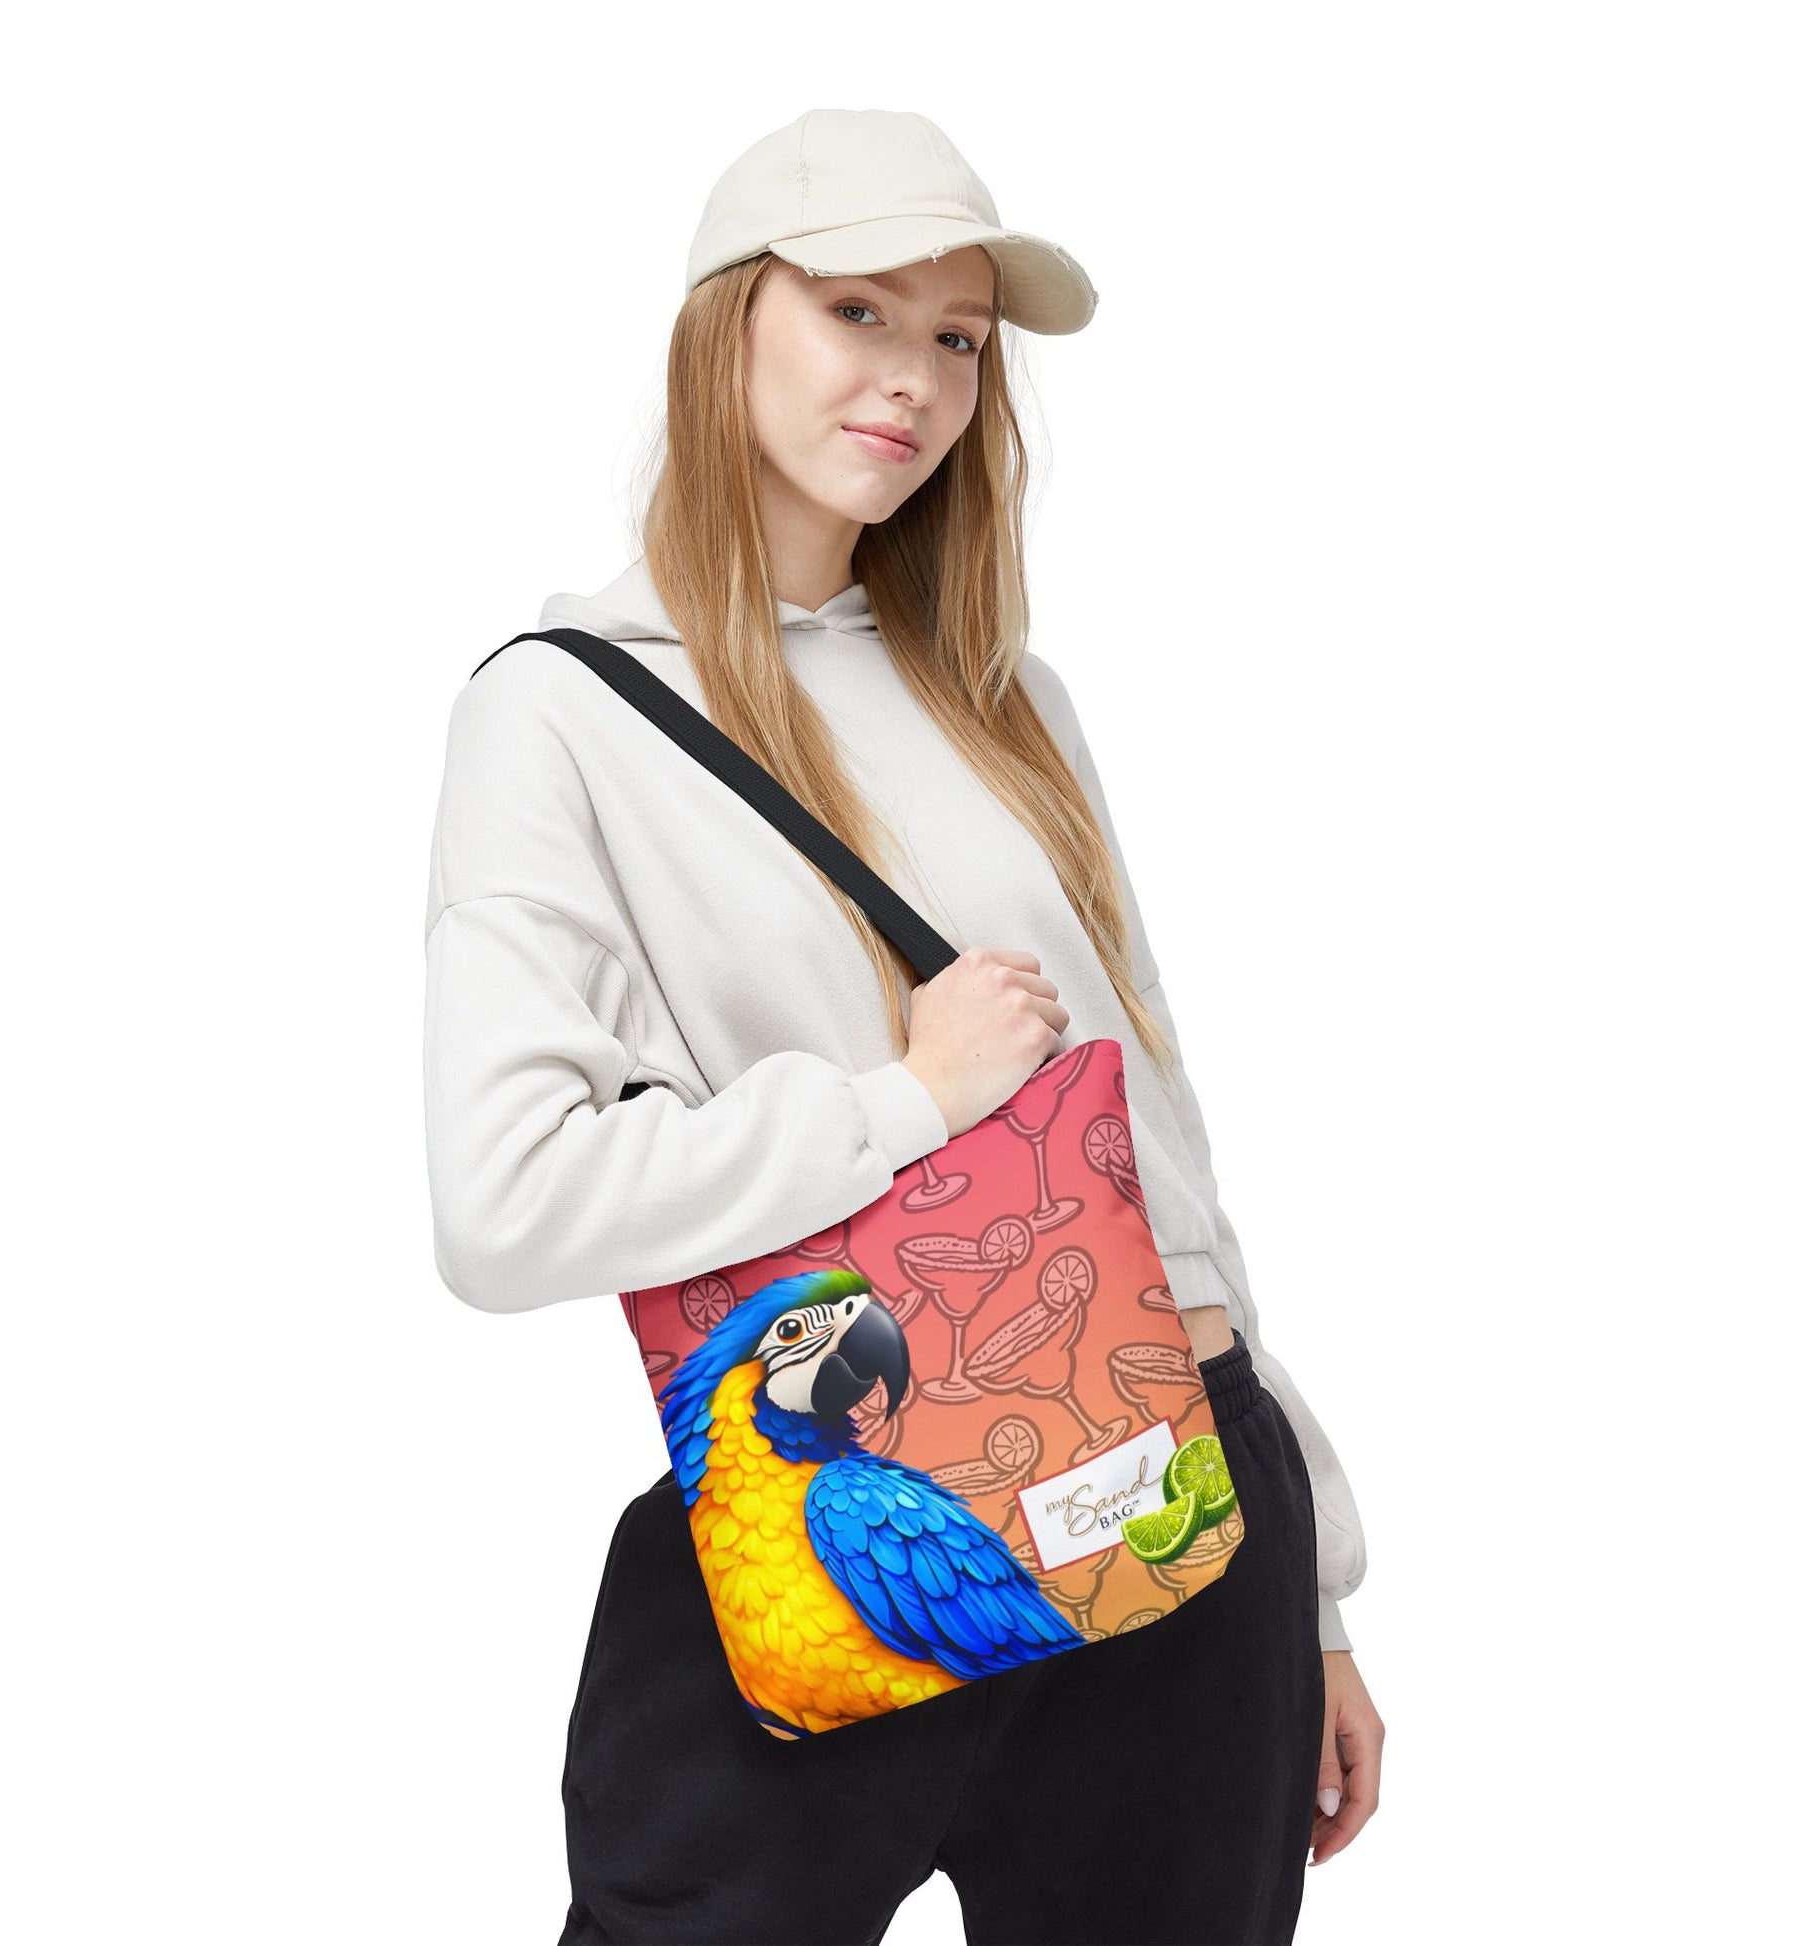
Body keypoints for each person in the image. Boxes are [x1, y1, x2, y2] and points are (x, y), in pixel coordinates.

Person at [424, 108, 1383, 1946]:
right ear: (725, 326)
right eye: (857, 309)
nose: (917, 380)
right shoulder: (564, 715)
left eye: (956, 337)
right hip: (821, 1535)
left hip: (1176, 1498)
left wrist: (1317, 1588)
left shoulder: (1007, 696)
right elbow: (504, 1202)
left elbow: (1153, 1149)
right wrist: (904, 1098)